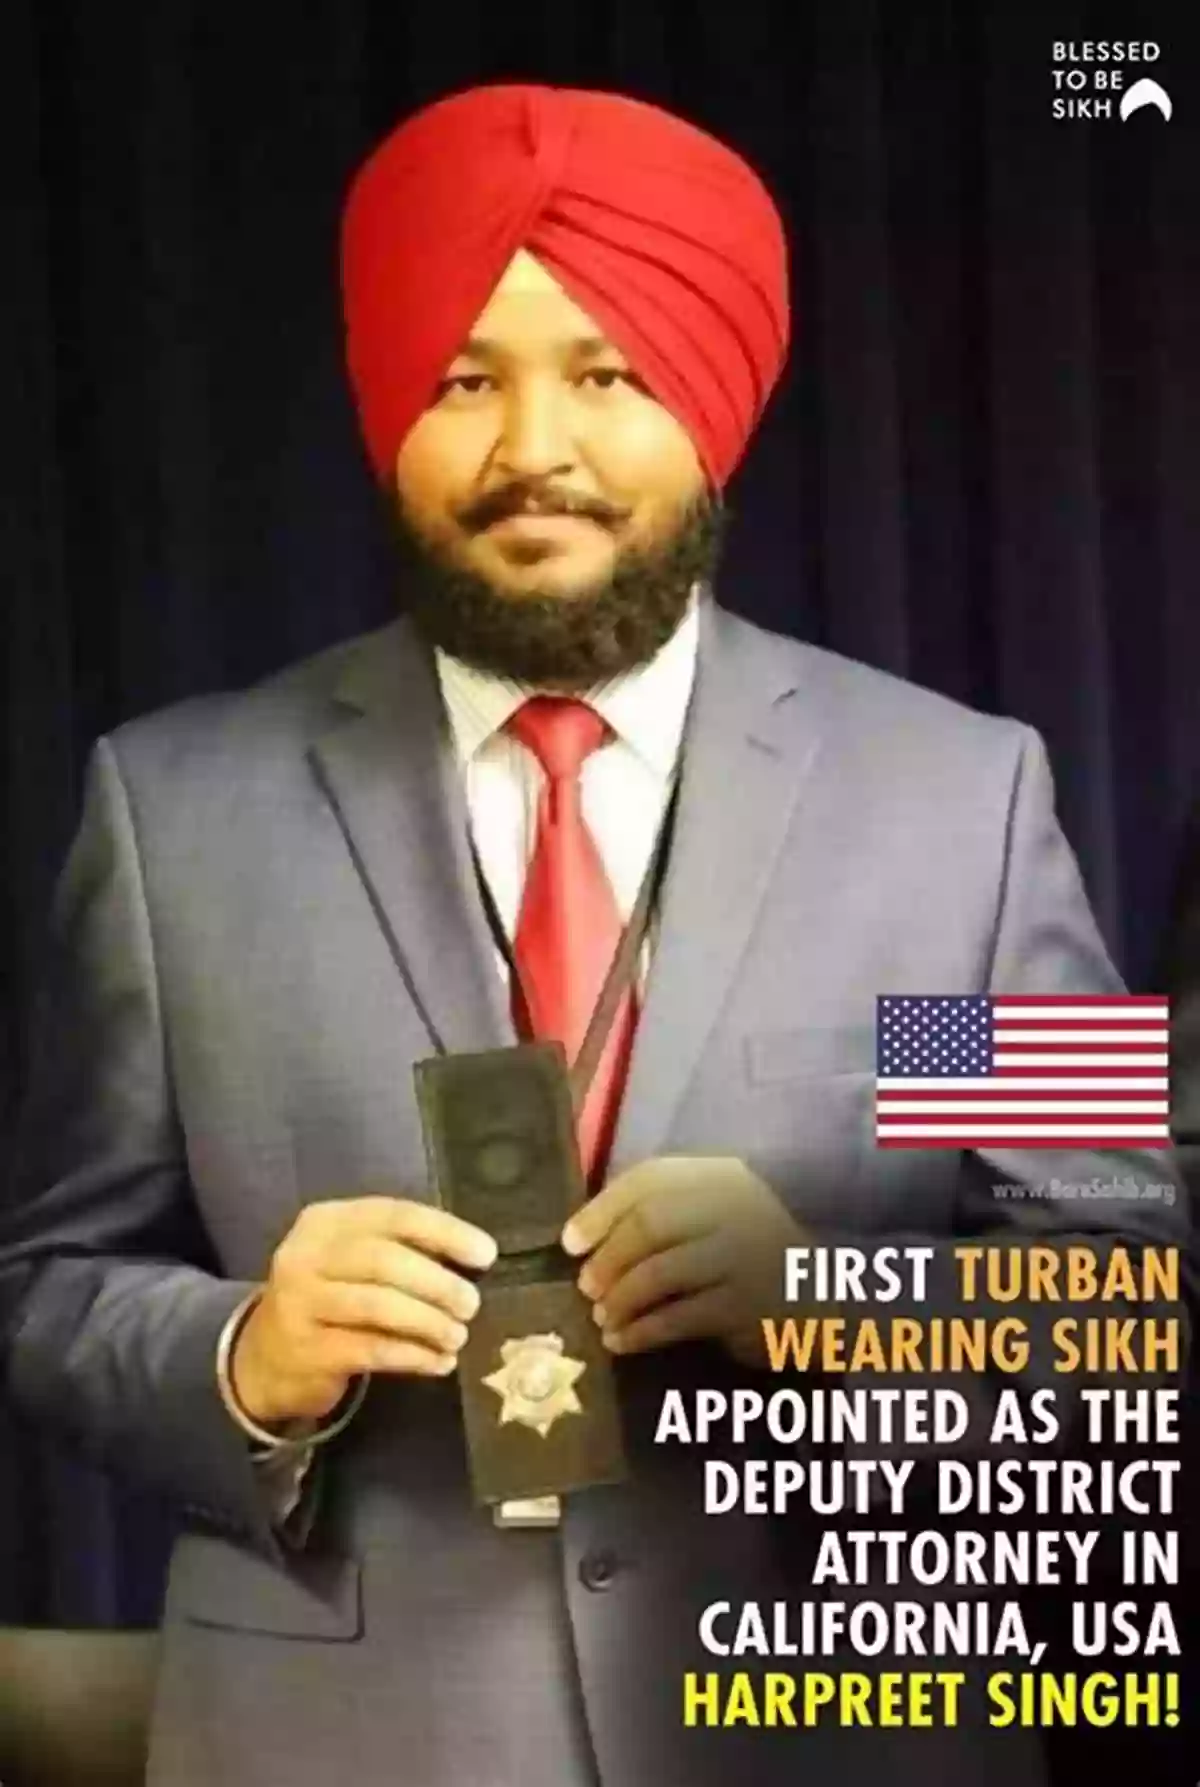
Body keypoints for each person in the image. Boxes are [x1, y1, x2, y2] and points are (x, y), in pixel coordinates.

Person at [0, 83, 1185, 1787]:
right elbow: (47, 1287)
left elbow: (1129, 1301)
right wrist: (247, 1354)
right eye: (467, 375)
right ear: (385, 401)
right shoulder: (173, 813)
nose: (533, 447)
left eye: (610, 371)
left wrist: (841, 1304)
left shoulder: (964, 807)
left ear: (713, 401)